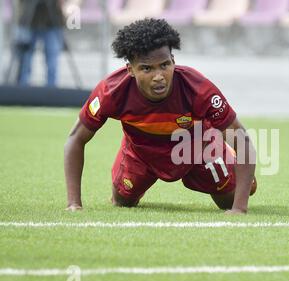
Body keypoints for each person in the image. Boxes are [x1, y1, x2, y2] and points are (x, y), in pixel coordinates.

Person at [64, 19, 257, 215]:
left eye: (164, 65)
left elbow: (242, 140)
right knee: (123, 201)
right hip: (141, 153)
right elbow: (75, 138)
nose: (158, 76)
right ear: (130, 69)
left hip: (198, 148)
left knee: (229, 201)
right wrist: (73, 203)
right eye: (147, 68)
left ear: (173, 61)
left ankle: (231, 163)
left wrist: (239, 208)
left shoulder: (198, 89)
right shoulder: (111, 92)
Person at [15, 0, 65, 87]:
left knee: (52, 62)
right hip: (28, 19)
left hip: (52, 20)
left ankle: (51, 92)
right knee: (25, 61)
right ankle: (21, 91)